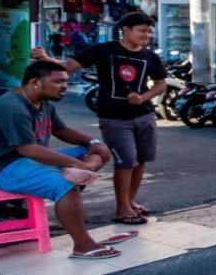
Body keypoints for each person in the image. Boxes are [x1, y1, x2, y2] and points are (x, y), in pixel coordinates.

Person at [0, 61, 137, 259]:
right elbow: (28, 149)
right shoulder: (12, 107)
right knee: (65, 186)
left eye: (65, 81)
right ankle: (83, 245)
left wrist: (93, 141)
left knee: (98, 153)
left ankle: (69, 173)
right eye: (58, 81)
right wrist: (75, 164)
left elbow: (62, 131)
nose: (64, 86)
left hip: (26, 160)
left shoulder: (42, 103)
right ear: (36, 82)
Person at [32, 12, 167, 226]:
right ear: (127, 30)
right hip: (114, 118)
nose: (147, 35)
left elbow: (161, 84)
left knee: (141, 160)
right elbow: (68, 66)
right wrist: (46, 58)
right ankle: (122, 209)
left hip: (144, 116)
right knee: (126, 160)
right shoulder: (103, 50)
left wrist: (143, 97)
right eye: (142, 30)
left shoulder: (151, 57)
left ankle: (130, 202)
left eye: (149, 31)